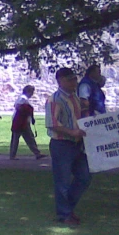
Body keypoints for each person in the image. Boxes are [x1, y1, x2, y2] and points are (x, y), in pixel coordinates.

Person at [45, 67, 91, 226]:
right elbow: (52, 124)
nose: (74, 82)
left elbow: (79, 115)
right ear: (60, 81)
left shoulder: (75, 98)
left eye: (75, 79)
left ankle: (67, 208)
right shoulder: (54, 99)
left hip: (78, 144)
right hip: (62, 145)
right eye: (70, 79)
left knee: (85, 176)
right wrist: (72, 132)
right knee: (62, 181)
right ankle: (64, 214)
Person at [10, 86, 46, 160]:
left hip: (22, 122)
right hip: (21, 122)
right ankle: (36, 153)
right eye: (32, 92)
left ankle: (37, 153)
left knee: (27, 138)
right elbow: (18, 106)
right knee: (20, 138)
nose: (32, 94)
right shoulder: (23, 98)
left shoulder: (23, 98)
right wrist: (26, 113)